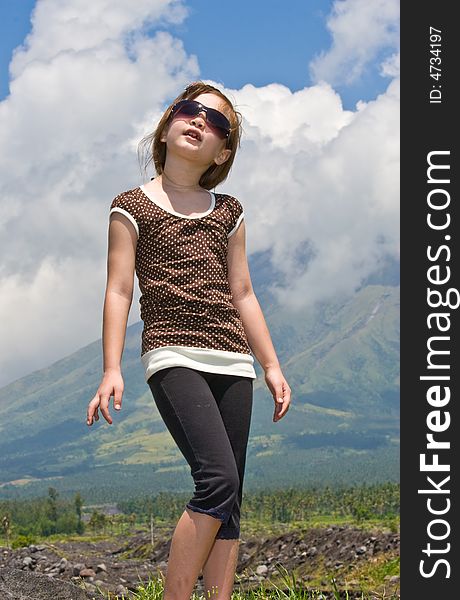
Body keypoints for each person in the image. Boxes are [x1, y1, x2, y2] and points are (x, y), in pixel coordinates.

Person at [86, 81, 292, 600]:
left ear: (222, 152)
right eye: (190, 111)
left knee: (232, 497)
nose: (200, 121)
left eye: (217, 122)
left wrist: (271, 365)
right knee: (216, 480)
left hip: (233, 359)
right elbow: (118, 289)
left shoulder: (229, 212)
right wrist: (112, 368)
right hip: (172, 353)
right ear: (168, 123)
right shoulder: (131, 206)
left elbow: (243, 293)